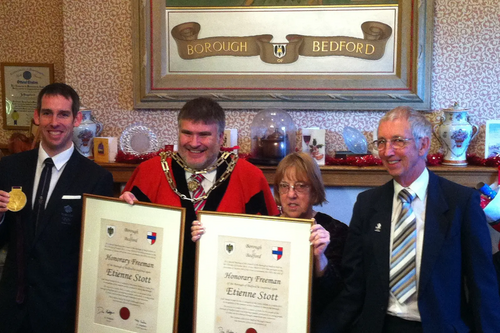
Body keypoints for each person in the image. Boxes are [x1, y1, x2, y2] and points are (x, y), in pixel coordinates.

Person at [316, 106, 500, 333]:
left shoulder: (460, 203)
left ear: (423, 145)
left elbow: (482, 285)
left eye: (398, 141)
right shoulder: (367, 205)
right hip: (380, 326)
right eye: (381, 142)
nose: (387, 151)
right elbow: (354, 287)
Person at [120, 96, 279, 332]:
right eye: (187, 133)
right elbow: (123, 247)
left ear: (221, 138)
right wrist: (122, 213)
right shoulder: (148, 173)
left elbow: (271, 250)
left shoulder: (250, 178)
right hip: (159, 307)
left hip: (229, 308)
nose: (194, 143)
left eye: (204, 134)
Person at [0, 83, 114, 333]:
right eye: (48, 113)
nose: (55, 122)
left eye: (63, 114)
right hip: (12, 308)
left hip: (62, 311)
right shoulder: (8, 168)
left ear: (76, 119)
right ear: (36, 116)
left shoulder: (96, 178)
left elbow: (100, 252)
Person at [274, 152, 348, 329]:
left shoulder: (335, 231)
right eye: (285, 186)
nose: (291, 194)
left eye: (300, 186)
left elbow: (337, 296)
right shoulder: (267, 227)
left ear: (314, 190)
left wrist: (320, 257)